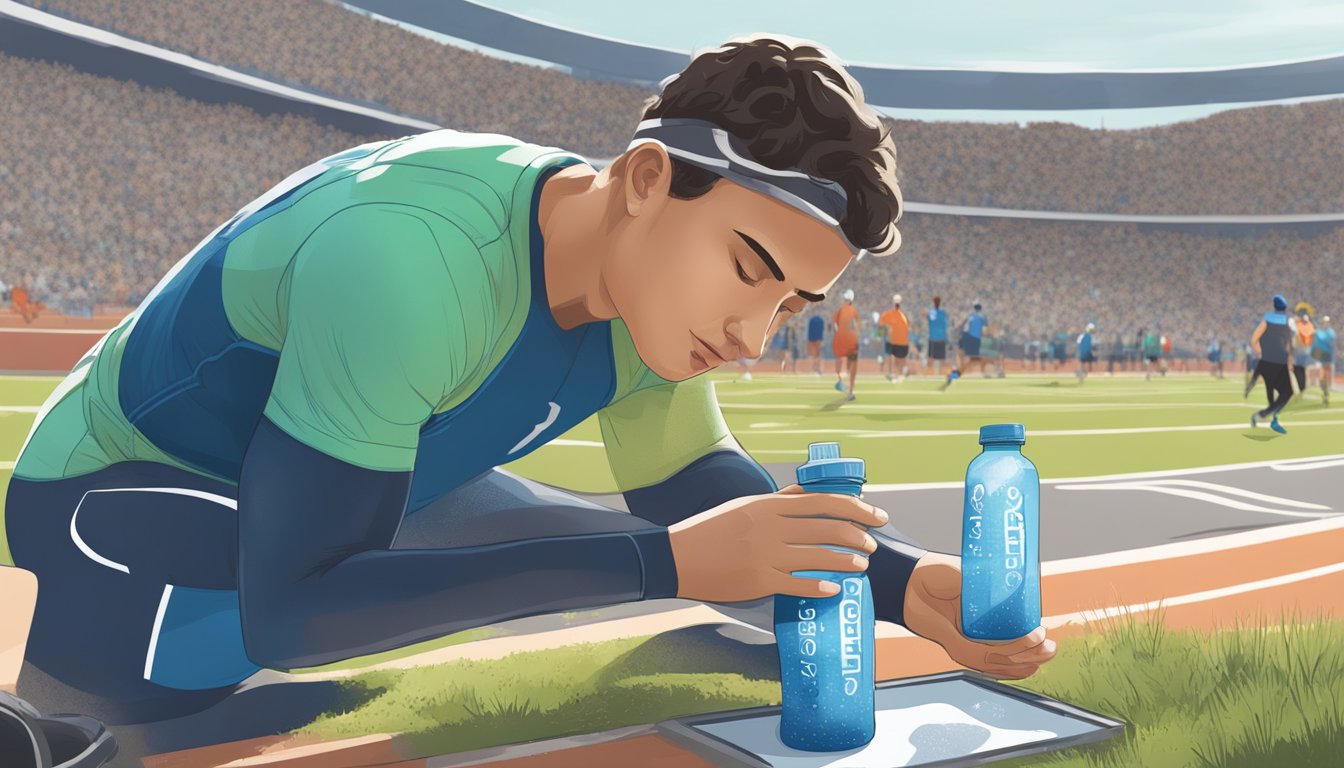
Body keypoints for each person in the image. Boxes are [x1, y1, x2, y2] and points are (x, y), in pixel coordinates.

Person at [4, 36, 1056, 726]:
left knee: (577, 534)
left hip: (357, 482)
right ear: (649, 180)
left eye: (790, 307)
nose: (751, 334)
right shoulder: (409, 263)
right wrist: (668, 571)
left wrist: (907, 587)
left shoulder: (641, 283)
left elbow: (698, 491)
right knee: (163, 704)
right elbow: (295, 609)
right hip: (126, 494)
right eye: (749, 270)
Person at [1250, 294, 1298, 433]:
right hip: (1280, 362)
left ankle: (1268, 417)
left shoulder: (1266, 322)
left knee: (1277, 392)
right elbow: (1289, 345)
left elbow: (1254, 341)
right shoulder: (1288, 322)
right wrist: (1289, 360)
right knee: (1286, 392)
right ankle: (1266, 417)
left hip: (1270, 362)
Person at [944, 300, 990, 389]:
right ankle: (956, 374)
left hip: (964, 337)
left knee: (961, 355)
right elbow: (984, 331)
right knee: (974, 359)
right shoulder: (983, 317)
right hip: (974, 339)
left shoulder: (970, 315)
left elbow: (959, 325)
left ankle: (955, 373)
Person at [833, 289, 860, 400]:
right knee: (850, 365)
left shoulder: (842, 311)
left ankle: (842, 382)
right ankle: (849, 390)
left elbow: (835, 323)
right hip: (850, 341)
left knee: (845, 363)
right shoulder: (852, 311)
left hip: (846, 341)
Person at [878, 293, 911, 382]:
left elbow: (880, 324)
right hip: (902, 342)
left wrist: (884, 328)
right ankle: (899, 373)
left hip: (895, 341)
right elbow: (908, 327)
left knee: (893, 357)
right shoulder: (904, 316)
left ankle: (896, 373)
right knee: (898, 359)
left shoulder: (889, 314)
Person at [1291, 302, 1316, 397]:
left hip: (1300, 351)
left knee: (1299, 370)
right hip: (1301, 351)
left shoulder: (1300, 323)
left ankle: (1301, 389)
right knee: (1299, 370)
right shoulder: (1301, 322)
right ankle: (1301, 389)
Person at [1313, 314, 1336, 405]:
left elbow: (1330, 344)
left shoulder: (1330, 333)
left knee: (1326, 374)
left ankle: (1326, 391)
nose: (1326, 324)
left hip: (1327, 356)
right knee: (1321, 376)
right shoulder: (1320, 332)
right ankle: (1324, 390)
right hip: (1320, 355)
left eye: (1327, 322)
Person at [926, 296, 949, 377]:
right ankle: (940, 375)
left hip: (933, 338)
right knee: (941, 359)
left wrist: (926, 316)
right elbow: (946, 325)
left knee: (931, 358)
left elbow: (931, 320)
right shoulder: (943, 313)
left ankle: (930, 375)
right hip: (941, 338)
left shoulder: (932, 312)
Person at [805, 308, 826, 375]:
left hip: (812, 339)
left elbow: (809, 331)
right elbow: (823, 330)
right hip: (818, 339)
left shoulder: (811, 320)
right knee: (818, 355)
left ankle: (814, 368)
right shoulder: (821, 320)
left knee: (813, 355)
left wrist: (809, 339)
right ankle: (817, 368)